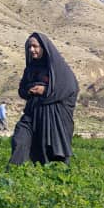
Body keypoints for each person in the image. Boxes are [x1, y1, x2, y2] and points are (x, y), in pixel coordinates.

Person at [8, 32, 79, 166]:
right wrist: (28, 90)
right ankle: (14, 171)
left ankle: (55, 179)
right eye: (29, 47)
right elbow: (22, 89)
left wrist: (45, 90)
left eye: (35, 46)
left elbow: (70, 88)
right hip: (32, 114)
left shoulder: (57, 68)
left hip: (53, 117)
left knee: (50, 154)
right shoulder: (30, 68)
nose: (32, 50)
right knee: (19, 139)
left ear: (44, 48)